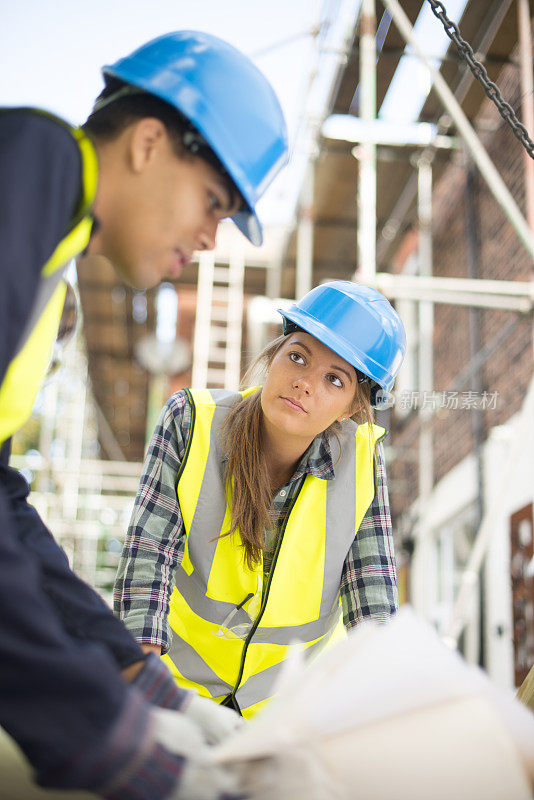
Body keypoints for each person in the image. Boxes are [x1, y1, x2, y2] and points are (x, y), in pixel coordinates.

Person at [0, 30, 288, 800]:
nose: (208, 238)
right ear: (149, 142)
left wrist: (141, 681)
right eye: (213, 203)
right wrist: (104, 735)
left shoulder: (48, 265)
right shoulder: (32, 159)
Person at [115, 280, 406, 719]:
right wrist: (146, 690)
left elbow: (373, 604)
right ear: (274, 357)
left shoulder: (362, 462)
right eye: (297, 356)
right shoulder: (191, 423)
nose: (305, 383)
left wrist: (381, 708)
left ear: (351, 407)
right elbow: (146, 561)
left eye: (334, 379)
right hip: (175, 687)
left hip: (287, 709)